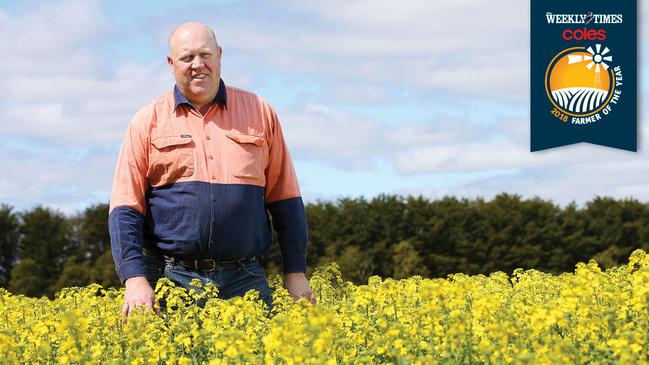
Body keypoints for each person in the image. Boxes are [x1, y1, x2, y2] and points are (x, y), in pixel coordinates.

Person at [109, 22, 314, 318]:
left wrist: (295, 272)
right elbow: (125, 208)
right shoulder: (146, 121)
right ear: (171, 63)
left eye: (205, 55)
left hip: (246, 279)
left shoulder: (260, 111)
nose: (197, 65)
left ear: (219, 55)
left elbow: (286, 199)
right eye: (186, 57)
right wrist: (134, 278)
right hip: (171, 280)